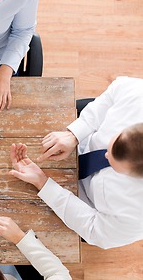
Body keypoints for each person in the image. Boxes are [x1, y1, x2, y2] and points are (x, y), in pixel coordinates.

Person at [9, 76, 143, 249]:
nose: (106, 155)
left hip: (82, 202)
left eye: (114, 165)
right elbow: (113, 93)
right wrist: (75, 134)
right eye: (111, 145)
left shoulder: (135, 215)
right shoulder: (138, 95)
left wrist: (42, 183)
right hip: (79, 144)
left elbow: (94, 230)